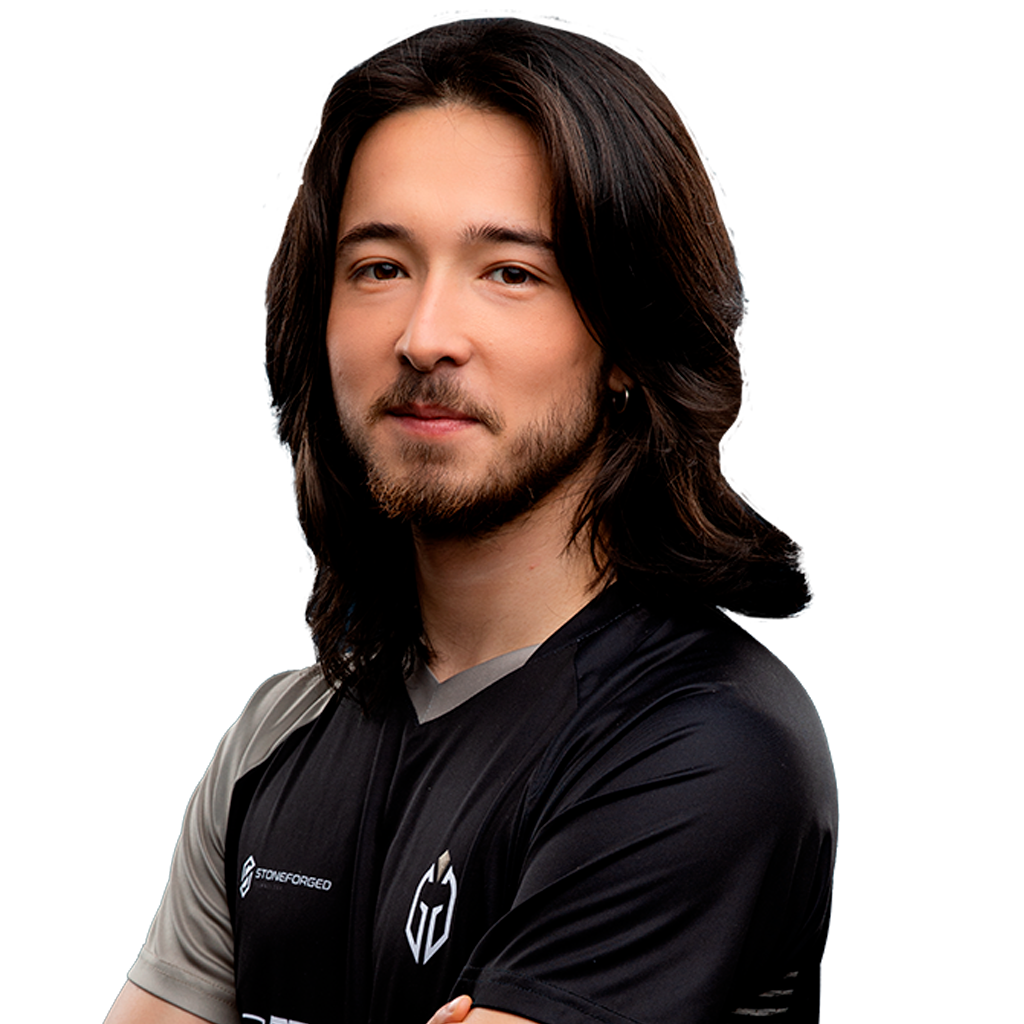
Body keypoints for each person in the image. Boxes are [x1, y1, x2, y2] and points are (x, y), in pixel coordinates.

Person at [105, 16, 837, 1024]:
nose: (424, 336)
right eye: (379, 267)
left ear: (627, 343)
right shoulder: (274, 736)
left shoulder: (704, 743)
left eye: (510, 273)